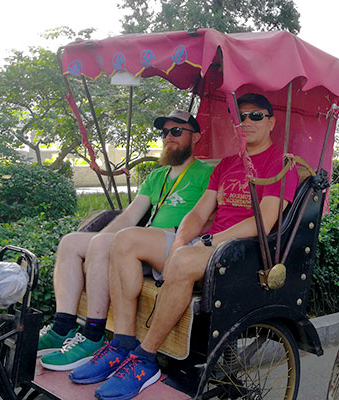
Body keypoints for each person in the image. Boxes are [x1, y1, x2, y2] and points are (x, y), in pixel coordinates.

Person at [69, 93, 298, 400]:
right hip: (206, 248)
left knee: (185, 259)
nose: (246, 122)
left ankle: (145, 358)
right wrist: (179, 242)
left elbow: (264, 222)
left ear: (271, 122)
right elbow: (199, 213)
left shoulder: (280, 165)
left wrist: (207, 242)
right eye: (240, 117)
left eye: (255, 116)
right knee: (124, 241)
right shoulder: (229, 164)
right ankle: (122, 342)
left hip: (243, 254)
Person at [38, 110, 213, 371]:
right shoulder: (157, 177)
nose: (168, 137)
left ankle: (94, 336)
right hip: (142, 242)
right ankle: (63, 325)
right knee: (72, 243)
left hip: (180, 243)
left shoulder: (206, 173)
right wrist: (100, 243)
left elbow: (208, 218)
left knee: (106, 244)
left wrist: (107, 245)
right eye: (165, 133)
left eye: (177, 131)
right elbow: (130, 216)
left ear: (195, 137)